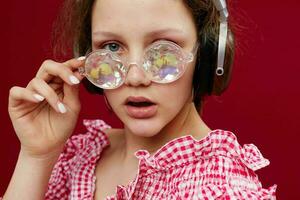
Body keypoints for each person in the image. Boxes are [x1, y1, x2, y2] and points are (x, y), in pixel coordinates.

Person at [2, 0, 277, 199]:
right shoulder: (77, 160)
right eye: (111, 47)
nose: (135, 77)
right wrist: (36, 156)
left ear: (206, 56)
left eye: (163, 48)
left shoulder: (222, 189)